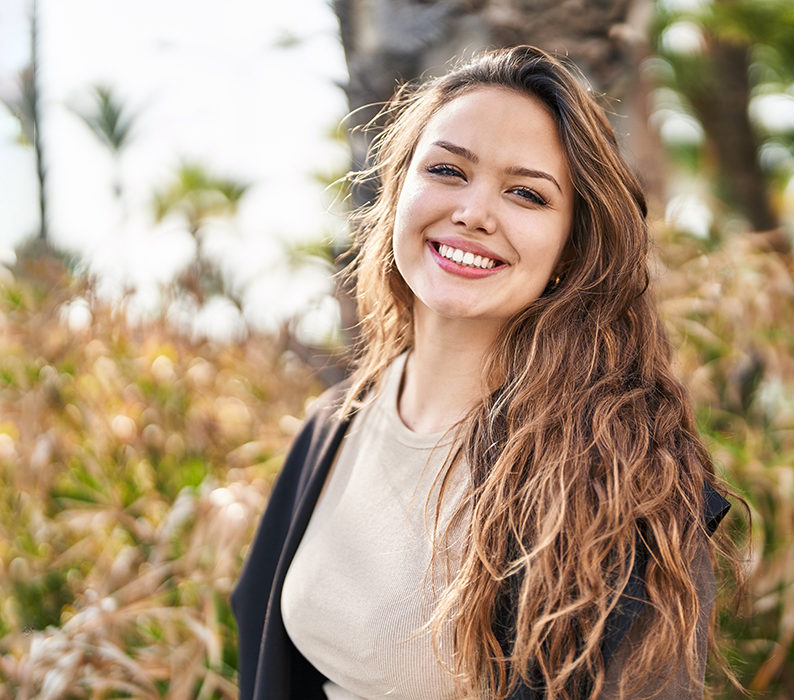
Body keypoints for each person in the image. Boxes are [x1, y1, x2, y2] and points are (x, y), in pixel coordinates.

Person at [231, 45, 732, 700]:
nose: (474, 212)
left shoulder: (619, 479)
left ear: (570, 246)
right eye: (446, 170)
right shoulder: (335, 426)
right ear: (397, 189)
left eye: (525, 193)